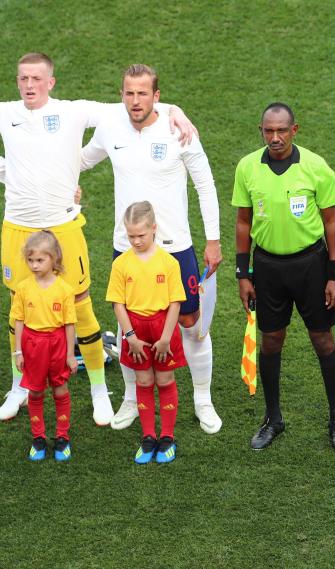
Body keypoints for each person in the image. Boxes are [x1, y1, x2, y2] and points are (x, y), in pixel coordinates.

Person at [0, 52, 197, 425]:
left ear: (51, 82)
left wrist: (177, 110)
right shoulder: (5, 112)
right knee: (18, 309)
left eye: (36, 79)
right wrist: (8, 173)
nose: (29, 86)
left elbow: (133, 102)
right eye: (23, 79)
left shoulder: (75, 111)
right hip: (17, 226)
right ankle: (19, 387)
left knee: (80, 305)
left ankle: (97, 390)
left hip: (63, 225)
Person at [78, 64, 222, 435]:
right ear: (121, 94)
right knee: (130, 324)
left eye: (143, 93)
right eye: (129, 93)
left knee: (192, 326)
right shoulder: (110, 127)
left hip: (176, 248)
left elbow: (205, 184)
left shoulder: (178, 129)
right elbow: (79, 161)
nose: (135, 100)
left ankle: (203, 400)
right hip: (126, 248)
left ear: (157, 96)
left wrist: (213, 240)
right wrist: (66, 188)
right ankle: (130, 397)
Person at [233, 102, 335, 452]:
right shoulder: (247, 167)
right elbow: (243, 221)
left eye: (282, 130)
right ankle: (273, 418)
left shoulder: (315, 167)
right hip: (267, 267)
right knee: (271, 341)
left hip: (311, 266)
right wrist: (243, 273)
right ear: (261, 130)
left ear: (294, 130)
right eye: (269, 130)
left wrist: (334, 274)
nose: (275, 137)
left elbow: (331, 221)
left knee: (323, 340)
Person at [106, 202, 186, 464]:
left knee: (164, 381)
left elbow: (175, 303)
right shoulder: (121, 264)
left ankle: (168, 437)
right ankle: (149, 436)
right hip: (135, 331)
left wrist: (165, 338)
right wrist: (130, 337)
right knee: (143, 382)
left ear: (154, 228)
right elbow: (118, 304)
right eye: (131, 236)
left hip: (163, 328)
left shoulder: (169, 262)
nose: (136, 240)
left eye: (141, 235)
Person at [12, 231, 78, 462]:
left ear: (54, 259)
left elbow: (69, 324)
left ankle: (62, 437)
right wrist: (19, 351)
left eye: (40, 260)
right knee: (36, 391)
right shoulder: (23, 288)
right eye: (30, 260)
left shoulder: (65, 290)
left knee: (60, 389)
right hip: (32, 344)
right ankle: (38, 438)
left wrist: (70, 355)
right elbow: (18, 320)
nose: (34, 265)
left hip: (57, 343)